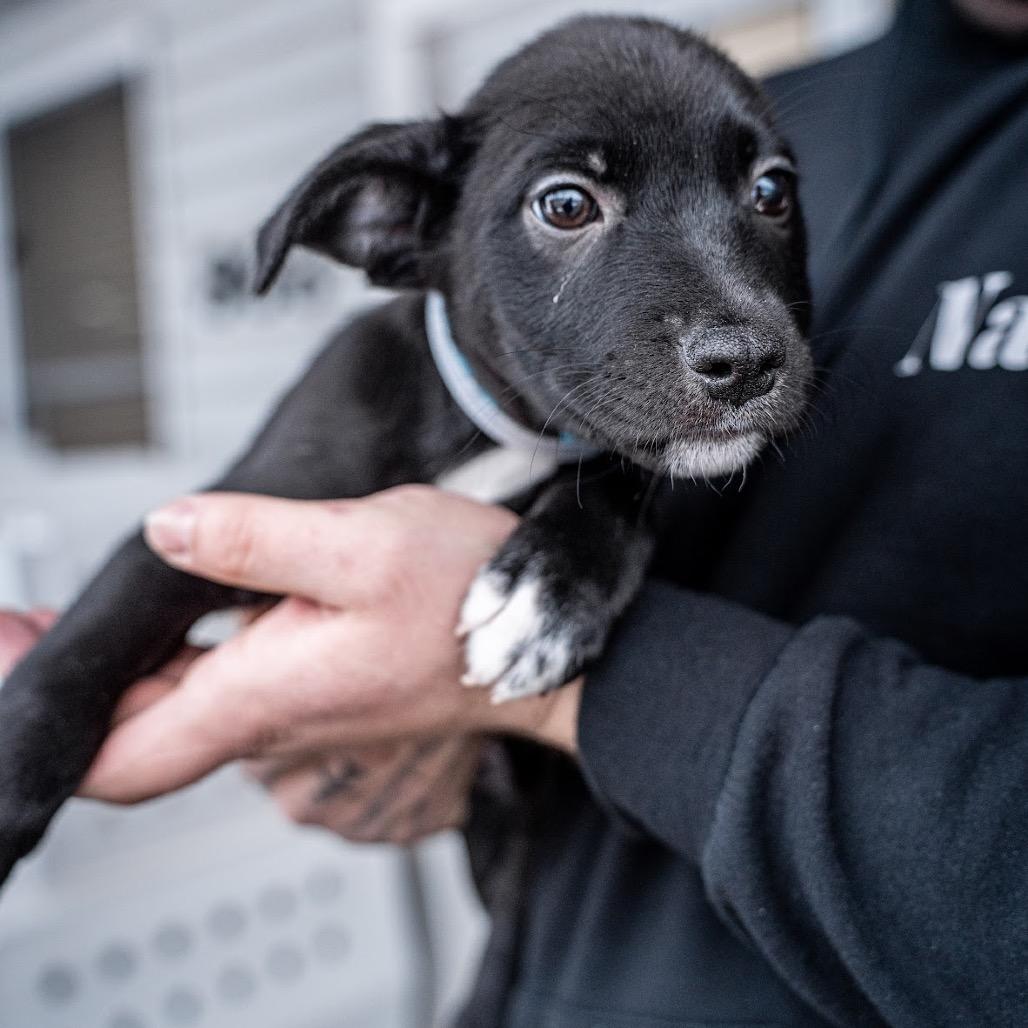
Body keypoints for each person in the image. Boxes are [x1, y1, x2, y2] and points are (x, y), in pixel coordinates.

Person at [2, 0, 1026, 1023]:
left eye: (763, 194)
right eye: (569, 206)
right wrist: (43, 735)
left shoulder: (635, 442)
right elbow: (188, 552)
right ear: (404, 224)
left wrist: (560, 599)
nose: (739, 324)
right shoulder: (362, 403)